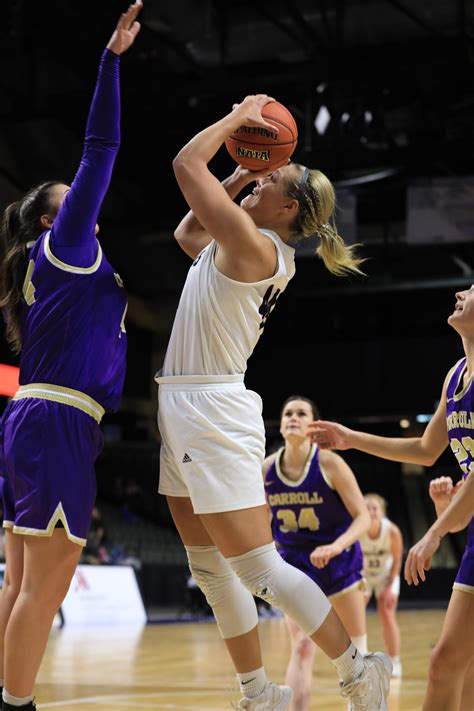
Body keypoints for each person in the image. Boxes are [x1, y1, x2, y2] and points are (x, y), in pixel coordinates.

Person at [156, 93, 391, 711]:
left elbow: (185, 166)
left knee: (258, 570)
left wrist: (235, 121)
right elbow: (186, 232)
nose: (259, 183)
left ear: (289, 207)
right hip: (183, 405)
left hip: (211, 408)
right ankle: (260, 692)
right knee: (209, 569)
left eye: (271, 180)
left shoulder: (257, 248)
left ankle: (357, 670)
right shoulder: (239, 238)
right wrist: (238, 174)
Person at [0, 4, 142, 709]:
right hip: (56, 421)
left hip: (32, 417)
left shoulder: (41, 264)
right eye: (73, 199)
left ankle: (7, 692)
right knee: (44, 586)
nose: (85, 200)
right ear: (58, 216)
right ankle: (17, 702)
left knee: (21, 582)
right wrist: (110, 62)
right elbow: (100, 149)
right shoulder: (69, 245)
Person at [308, 283, 474, 711]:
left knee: (448, 664)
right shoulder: (456, 375)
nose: (460, 293)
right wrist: (350, 438)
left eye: (472, 291)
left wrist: (436, 530)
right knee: (457, 667)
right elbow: (425, 449)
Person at [263, 395, 370, 711]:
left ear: (313, 425)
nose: (293, 417)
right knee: (302, 647)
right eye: (288, 414)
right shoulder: (266, 469)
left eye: (301, 413)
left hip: (339, 560)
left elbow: (363, 516)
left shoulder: (329, 463)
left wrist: (337, 546)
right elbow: (260, 521)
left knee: (356, 651)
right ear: (281, 426)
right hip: (296, 565)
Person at [360, 494, 403, 678]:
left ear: (382, 512)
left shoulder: (392, 531)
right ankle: (358, 660)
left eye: (374, 508)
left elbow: (397, 560)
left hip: (387, 575)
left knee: (386, 613)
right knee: (354, 614)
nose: (371, 511)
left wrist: (390, 585)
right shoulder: (357, 529)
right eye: (367, 507)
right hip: (364, 576)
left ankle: (395, 661)